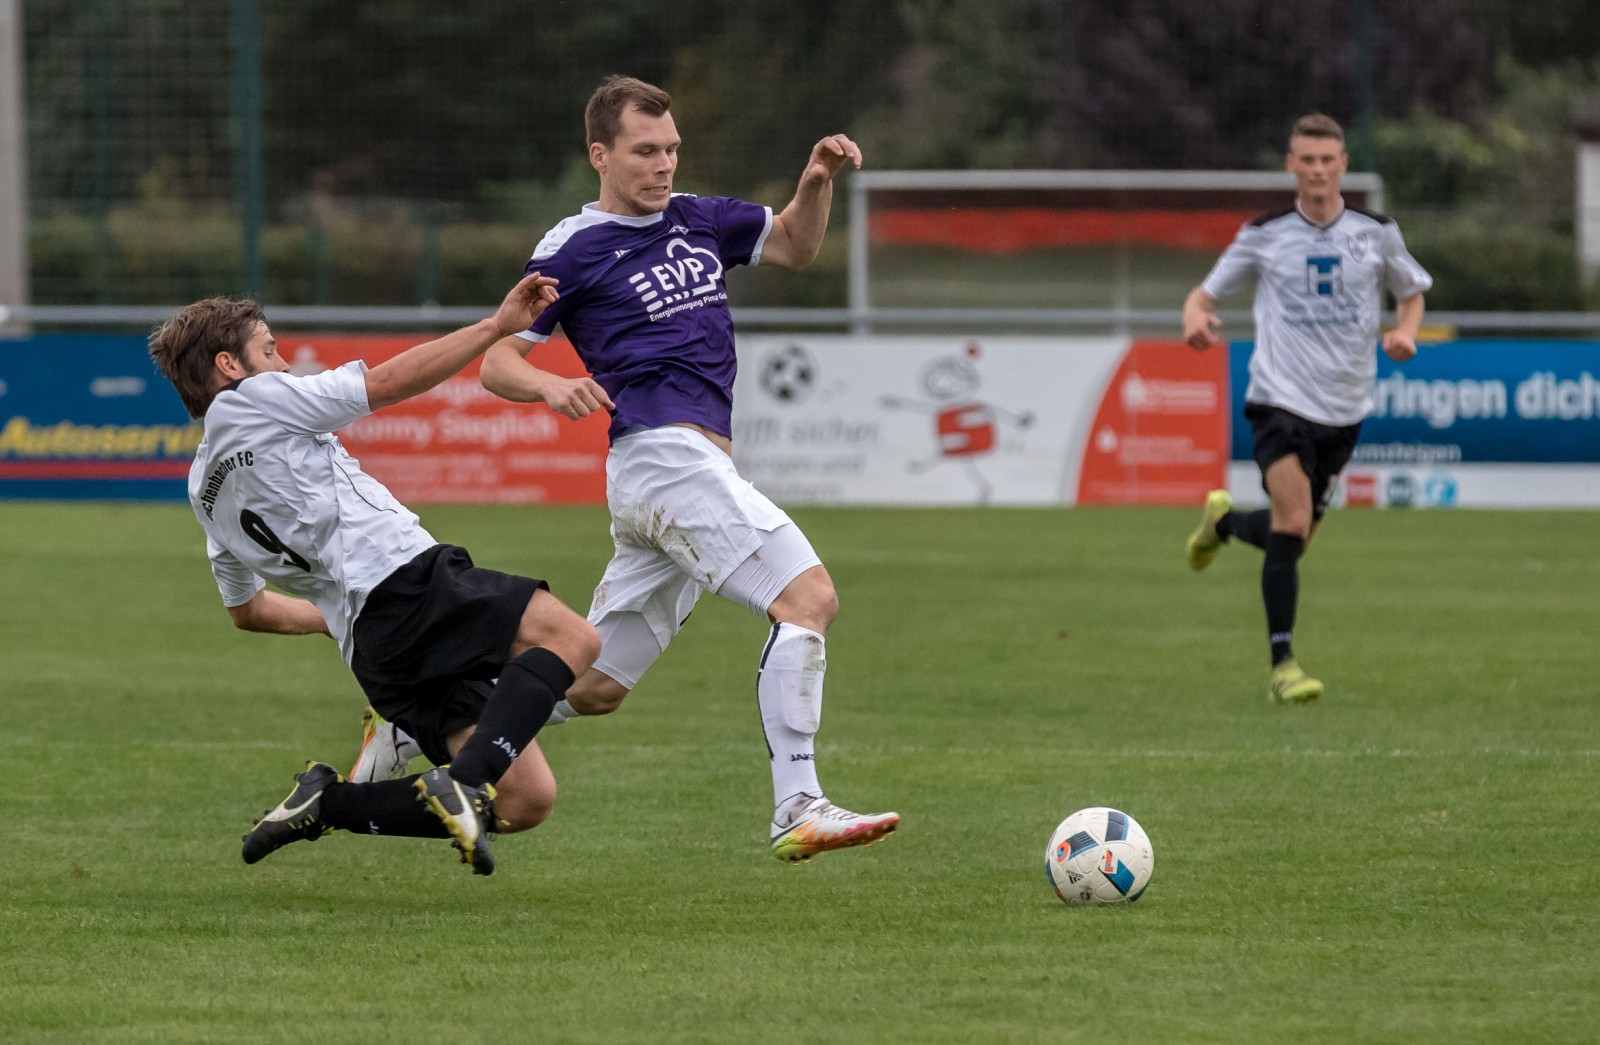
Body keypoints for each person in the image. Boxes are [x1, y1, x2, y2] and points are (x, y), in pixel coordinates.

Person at [474, 75, 899, 862]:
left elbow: (797, 248)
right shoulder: (574, 247)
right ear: (600, 155)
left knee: (592, 682)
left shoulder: (701, 218)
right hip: (661, 456)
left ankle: (423, 715)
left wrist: (814, 185)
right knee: (807, 596)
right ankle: (798, 802)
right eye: (644, 151)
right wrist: (551, 383)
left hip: (677, 473)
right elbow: (498, 359)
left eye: (671, 149)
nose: (663, 165)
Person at [149, 273, 600, 875]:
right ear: (229, 366)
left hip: (375, 646)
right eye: (269, 350)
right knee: (574, 639)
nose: (283, 363)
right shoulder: (250, 399)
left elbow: (248, 612)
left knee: (526, 800)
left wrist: (335, 621)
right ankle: (462, 784)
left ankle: (328, 802)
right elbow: (384, 383)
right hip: (406, 581)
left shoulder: (201, 487)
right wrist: (495, 327)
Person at [1180, 113, 1432, 704]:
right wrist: (1194, 316)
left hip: (1344, 409)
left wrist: (1407, 332)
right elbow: (1205, 292)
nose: (1318, 171)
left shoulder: (1376, 232)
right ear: (1291, 166)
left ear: (1343, 166)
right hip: (1278, 399)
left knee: (1292, 538)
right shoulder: (1264, 234)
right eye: (1307, 160)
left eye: (1328, 160)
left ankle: (1221, 524)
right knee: (1292, 525)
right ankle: (1283, 665)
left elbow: (1411, 291)